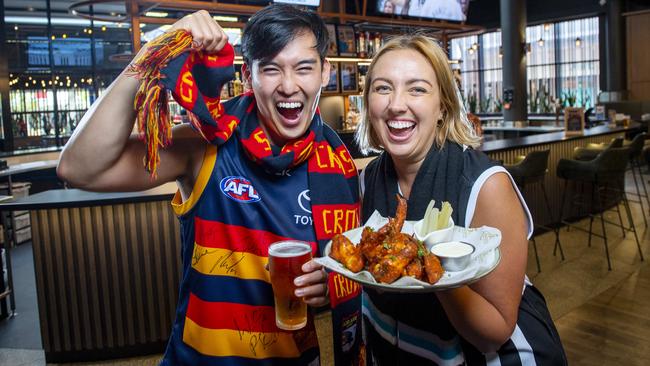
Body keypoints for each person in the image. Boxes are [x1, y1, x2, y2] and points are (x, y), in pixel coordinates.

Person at [57, 5, 362, 365]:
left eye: (304, 68)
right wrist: (153, 53)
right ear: (248, 77)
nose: (288, 85)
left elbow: (345, 268)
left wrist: (330, 284)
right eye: (271, 68)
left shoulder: (338, 167)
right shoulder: (206, 145)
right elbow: (80, 169)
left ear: (325, 72)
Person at [355, 35, 567, 365]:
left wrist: (431, 266)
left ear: (443, 106)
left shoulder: (486, 186)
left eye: (417, 89)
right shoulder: (368, 181)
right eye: (383, 88)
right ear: (368, 102)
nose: (396, 104)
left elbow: (495, 331)